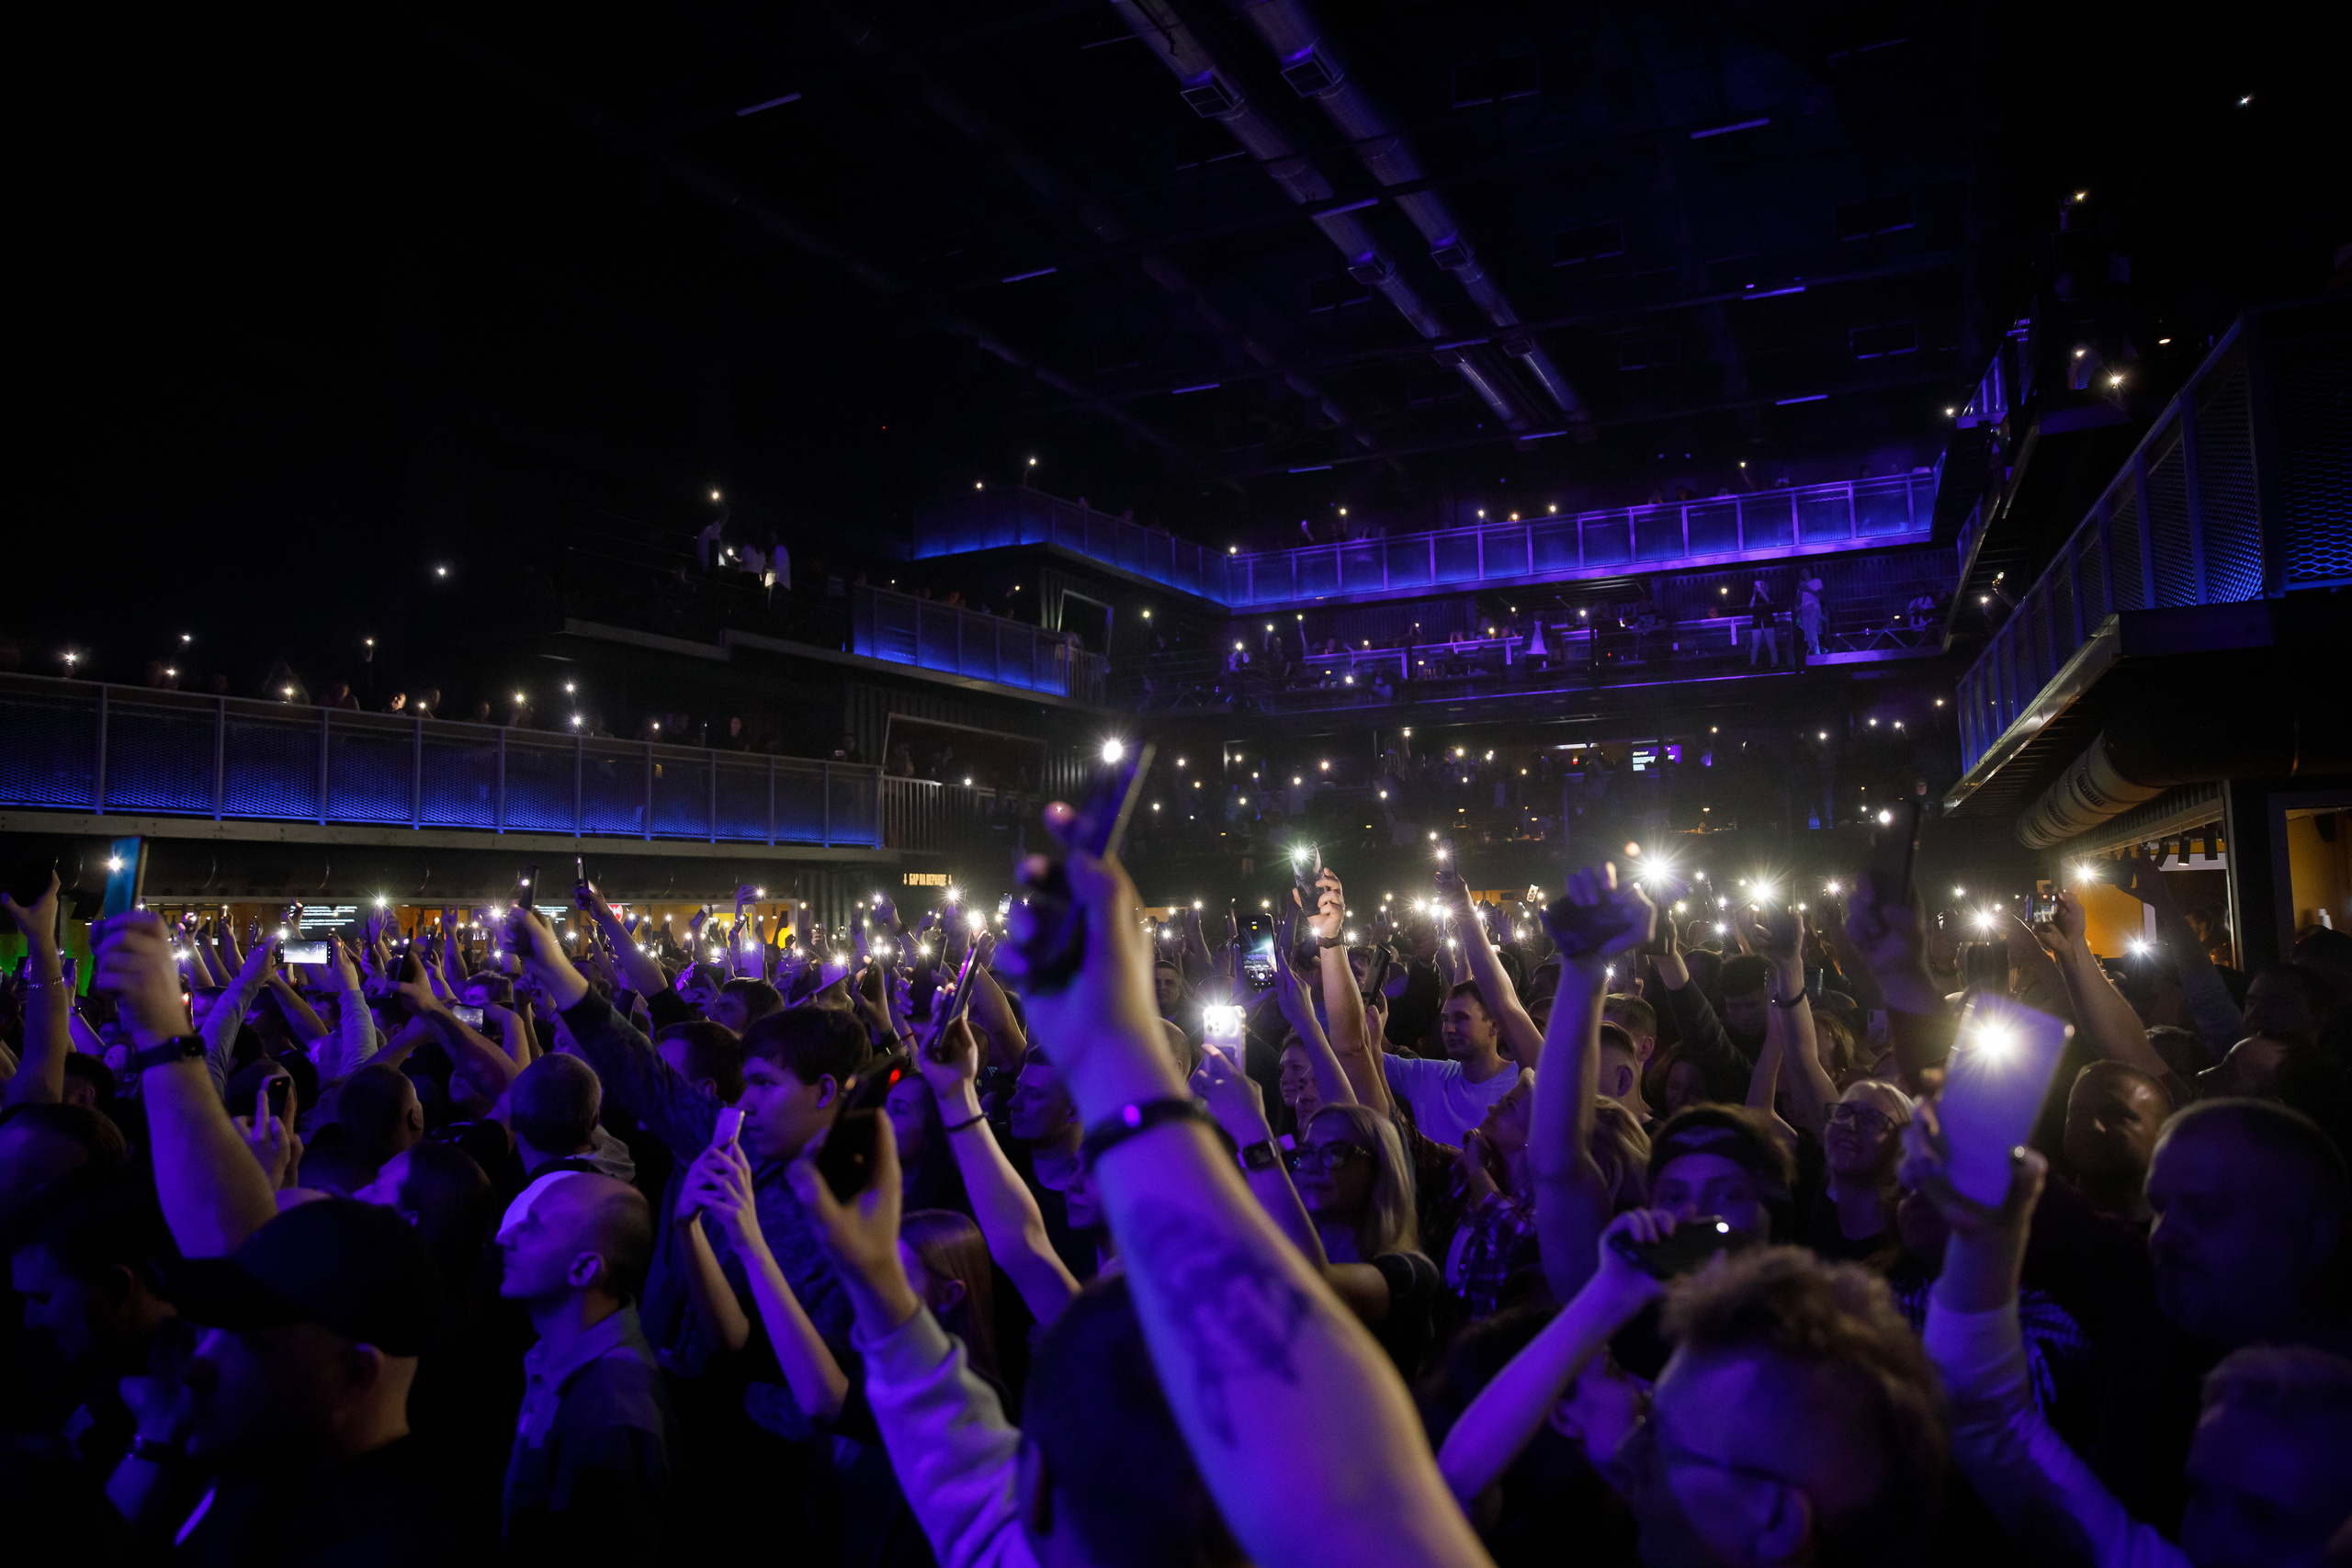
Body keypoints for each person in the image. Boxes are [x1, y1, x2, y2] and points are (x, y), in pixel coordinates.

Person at [496, 1169, 677, 1563]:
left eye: (533, 1227)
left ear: (584, 1270)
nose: (505, 1237)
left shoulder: (611, 1413)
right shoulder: (554, 1356)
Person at [1292, 1101, 1441, 1378]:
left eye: (1336, 1153)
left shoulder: (1410, 1274)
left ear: (1379, 1169)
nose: (1313, 1166)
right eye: (1307, 1153)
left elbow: (1317, 1288)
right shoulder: (1295, 1252)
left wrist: (1253, 1137)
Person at [1386, 983, 1523, 1145]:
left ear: (1494, 1025)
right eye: (1445, 1019)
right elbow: (1360, 1053)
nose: (1448, 1028)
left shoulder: (1521, 1086)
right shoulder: (1429, 1075)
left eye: (1461, 1018)